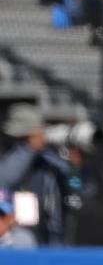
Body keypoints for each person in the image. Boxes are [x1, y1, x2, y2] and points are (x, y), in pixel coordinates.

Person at [0, 104, 74, 245]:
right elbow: (3, 178)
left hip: (50, 235)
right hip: (14, 236)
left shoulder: (49, 159)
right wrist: (29, 148)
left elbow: (75, 182)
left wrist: (74, 161)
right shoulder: (14, 156)